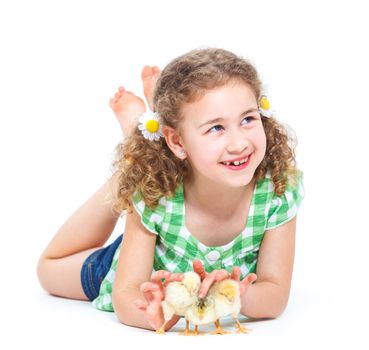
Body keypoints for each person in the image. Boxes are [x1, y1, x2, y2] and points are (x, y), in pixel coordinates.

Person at [37, 48, 304, 332]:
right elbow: (126, 293)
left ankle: (148, 133)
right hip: (138, 263)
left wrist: (237, 293)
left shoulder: (277, 188)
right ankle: (138, 148)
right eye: (216, 128)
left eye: (248, 119)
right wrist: (153, 314)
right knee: (48, 269)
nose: (239, 143)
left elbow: (275, 295)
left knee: (146, 169)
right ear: (177, 142)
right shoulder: (155, 194)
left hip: (174, 193)